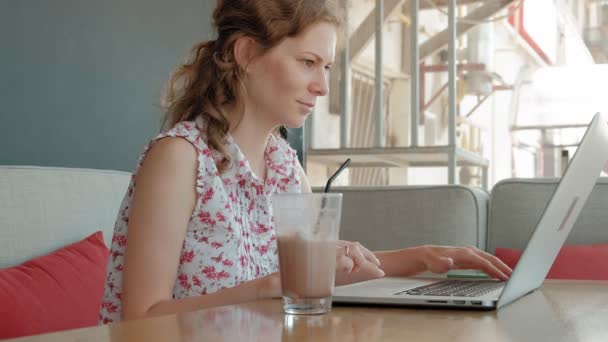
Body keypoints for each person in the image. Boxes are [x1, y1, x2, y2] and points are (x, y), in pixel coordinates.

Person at [99, 0, 512, 324]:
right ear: (246, 53)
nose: (321, 86)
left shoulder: (283, 164)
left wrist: (423, 259)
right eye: (308, 62)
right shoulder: (179, 158)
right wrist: (272, 288)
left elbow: (310, 273)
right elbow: (142, 319)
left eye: (328, 67)